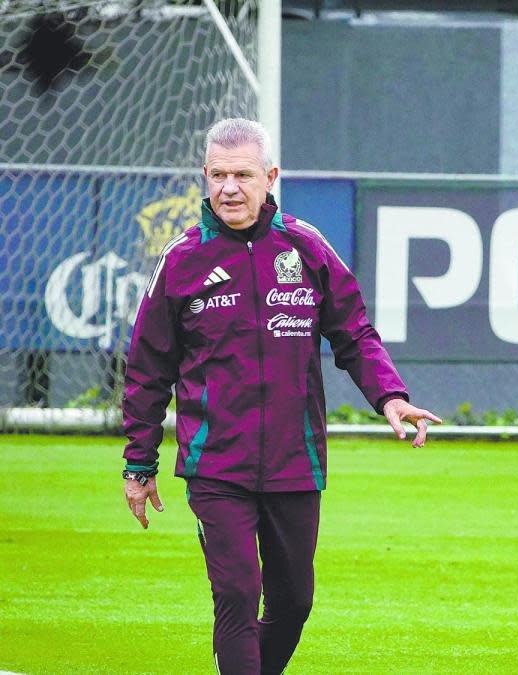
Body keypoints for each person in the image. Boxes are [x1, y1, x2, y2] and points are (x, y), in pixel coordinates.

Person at [121, 117, 441, 674]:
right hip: (216, 466)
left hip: (296, 462)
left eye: (242, 175)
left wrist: (390, 396)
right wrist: (138, 463)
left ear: (270, 177)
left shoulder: (306, 246)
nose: (229, 188)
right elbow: (147, 370)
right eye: (218, 175)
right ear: (204, 175)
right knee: (237, 596)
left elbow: (354, 333)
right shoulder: (182, 260)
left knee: (293, 603)